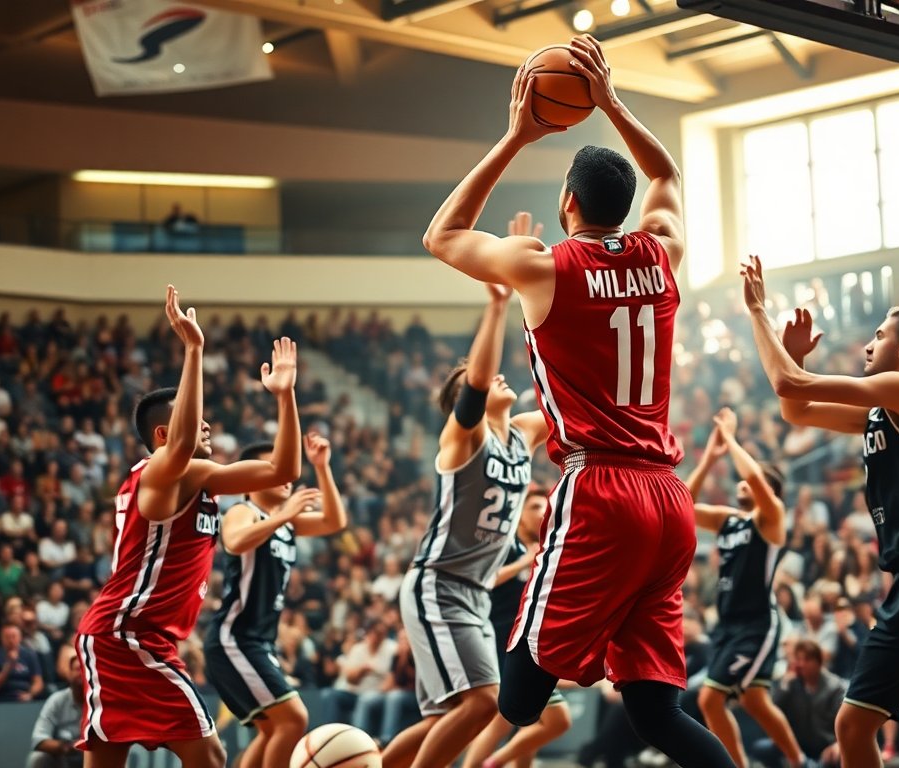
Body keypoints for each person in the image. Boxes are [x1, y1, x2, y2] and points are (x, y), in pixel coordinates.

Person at [420, 34, 732, 768]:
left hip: (600, 489)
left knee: (521, 701)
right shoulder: (661, 250)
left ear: (566, 203)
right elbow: (666, 172)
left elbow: (442, 235)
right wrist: (613, 103)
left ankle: (578, 646)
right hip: (667, 499)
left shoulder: (544, 266)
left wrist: (517, 134)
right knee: (658, 713)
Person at [741, 274, 899, 768]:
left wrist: (758, 314)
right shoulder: (881, 407)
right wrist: (798, 358)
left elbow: (788, 384)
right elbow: (798, 411)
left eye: (879, 335)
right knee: (852, 727)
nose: (869, 344)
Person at [75, 286, 301, 768]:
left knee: (108, 760)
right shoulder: (157, 471)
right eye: (194, 422)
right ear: (164, 434)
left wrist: (285, 399)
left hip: (132, 634)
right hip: (128, 633)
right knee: (210, 755)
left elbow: (283, 471)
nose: (207, 427)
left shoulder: (205, 478)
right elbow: (179, 447)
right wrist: (194, 350)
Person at [381, 277, 550, 768]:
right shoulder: (462, 438)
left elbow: (568, 401)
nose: (497, 377)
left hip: (471, 593)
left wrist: (537, 295)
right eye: (481, 377)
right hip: (439, 583)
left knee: (446, 718)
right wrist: (497, 307)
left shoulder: (521, 434)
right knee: (481, 702)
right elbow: (475, 386)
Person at [205, 433, 347, 768]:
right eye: (275, 467)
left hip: (258, 641)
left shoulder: (284, 524)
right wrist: (284, 515)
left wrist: (322, 468)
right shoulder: (244, 510)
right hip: (234, 638)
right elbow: (235, 541)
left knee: (273, 730)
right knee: (293, 719)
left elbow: (334, 521)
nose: (286, 476)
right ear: (254, 478)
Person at [686, 410, 808, 768]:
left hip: (756, 624)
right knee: (755, 702)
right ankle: (800, 762)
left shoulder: (771, 518)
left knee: (710, 699)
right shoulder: (728, 520)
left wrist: (733, 438)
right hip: (728, 623)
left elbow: (753, 476)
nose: (744, 482)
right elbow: (684, 504)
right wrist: (711, 456)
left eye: (756, 481)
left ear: (769, 489)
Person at [463, 488, 571, 768]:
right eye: (533, 507)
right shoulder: (507, 546)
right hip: (500, 641)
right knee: (555, 719)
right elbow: (483, 579)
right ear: (518, 515)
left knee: (523, 717)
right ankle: (490, 763)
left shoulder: (547, 549)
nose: (541, 513)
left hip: (529, 643)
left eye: (544, 507)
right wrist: (524, 562)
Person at [754, 640, 846, 768]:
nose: (801, 664)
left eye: (807, 659)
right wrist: (785, 684)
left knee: (837, 757)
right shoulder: (791, 684)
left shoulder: (836, 687)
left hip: (825, 747)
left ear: (818, 662)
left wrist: (839, 744)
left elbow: (845, 724)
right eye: (799, 659)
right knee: (762, 748)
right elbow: (773, 711)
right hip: (797, 745)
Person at [30, 655, 88, 768]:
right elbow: (38, 740)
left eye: (85, 669)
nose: (81, 673)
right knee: (38, 757)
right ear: (69, 674)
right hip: (62, 758)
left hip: (93, 755)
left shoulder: (100, 701)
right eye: (77, 669)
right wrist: (68, 746)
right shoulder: (56, 700)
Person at [0, 623, 44, 702]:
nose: (11, 640)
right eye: (7, 637)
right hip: (2, 700)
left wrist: (30, 694)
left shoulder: (29, 655)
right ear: (1, 638)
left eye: (14, 636)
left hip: (25, 698)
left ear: (20, 637)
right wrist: (7, 668)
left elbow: (38, 682)